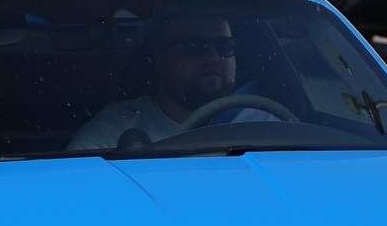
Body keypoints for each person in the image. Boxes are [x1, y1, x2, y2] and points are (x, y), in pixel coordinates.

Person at [69, 15, 275, 150]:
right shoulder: (114, 132)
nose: (213, 56)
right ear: (161, 58)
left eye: (225, 46)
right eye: (195, 45)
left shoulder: (267, 128)